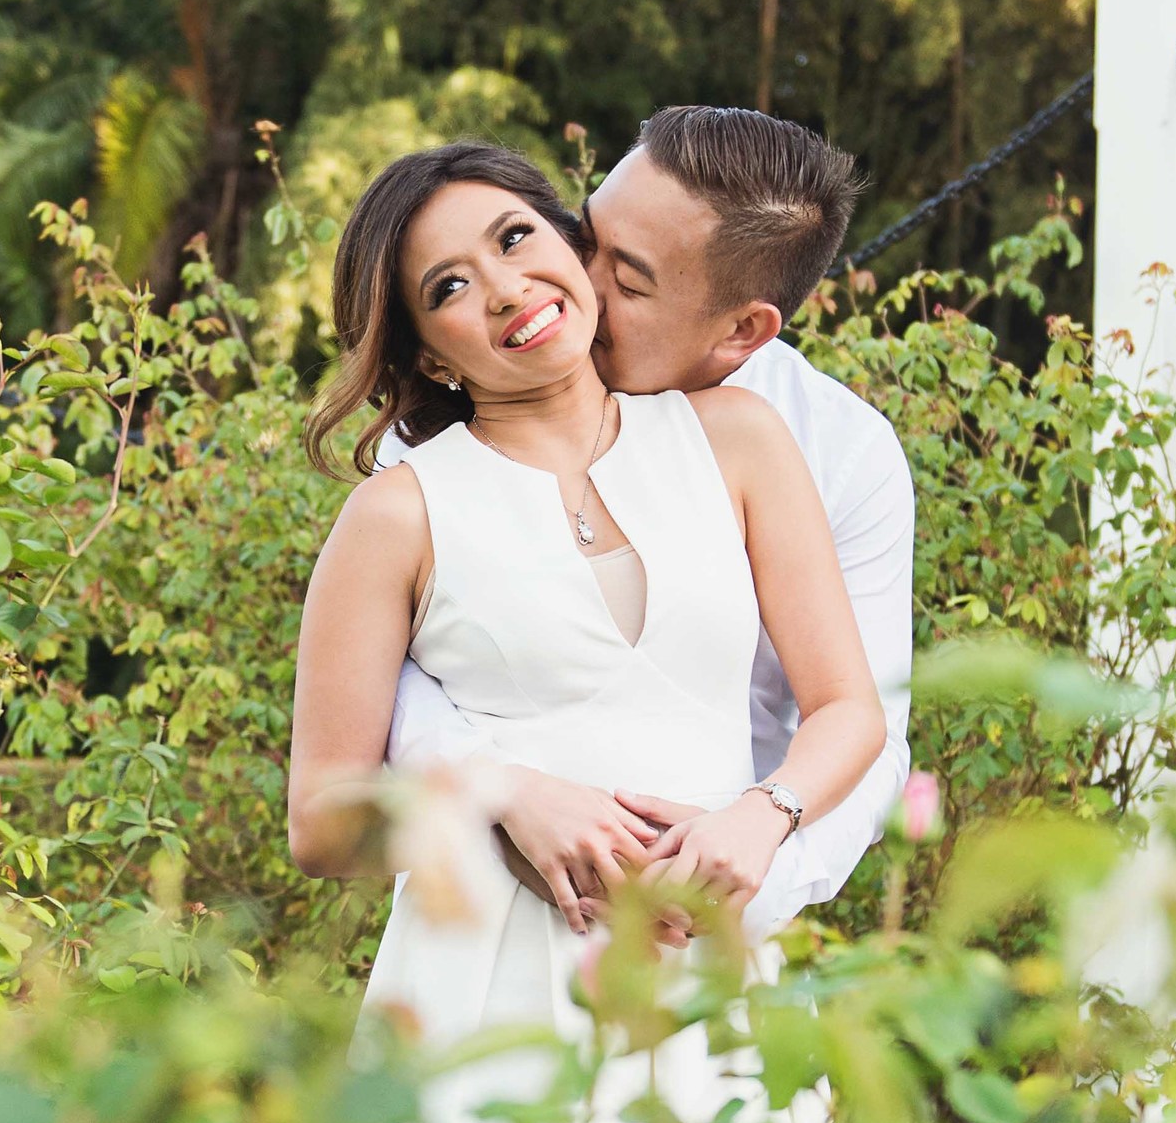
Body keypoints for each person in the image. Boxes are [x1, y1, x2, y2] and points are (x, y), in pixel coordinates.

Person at [288, 138, 885, 1123]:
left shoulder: (739, 441)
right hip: (486, 988)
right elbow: (322, 819)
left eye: (517, 237)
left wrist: (763, 814)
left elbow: (848, 706)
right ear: (430, 353)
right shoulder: (395, 513)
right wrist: (498, 791)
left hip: (702, 967)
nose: (506, 287)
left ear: (567, 242)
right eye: (449, 287)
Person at [382, 107, 912, 936]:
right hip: (493, 897)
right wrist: (500, 792)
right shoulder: (454, 418)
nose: (562, 287)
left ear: (743, 330)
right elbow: (397, 682)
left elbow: (862, 722)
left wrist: (730, 880)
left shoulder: (836, 452)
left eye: (625, 281)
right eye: (581, 235)